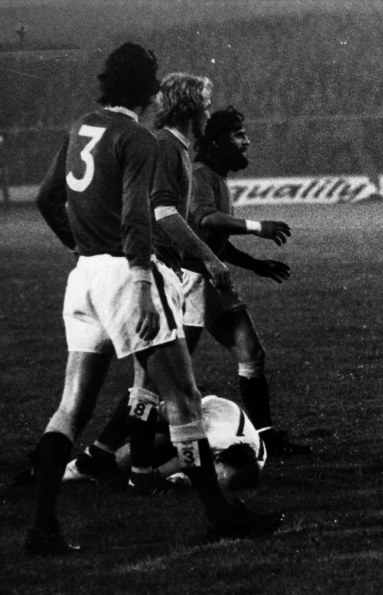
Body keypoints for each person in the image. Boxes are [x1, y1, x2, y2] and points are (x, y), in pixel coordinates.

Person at [27, 43, 282, 556]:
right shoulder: (137, 137)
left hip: (84, 277)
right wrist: (142, 280)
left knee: (70, 409)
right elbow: (138, 217)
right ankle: (220, 516)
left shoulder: (80, 126)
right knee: (183, 398)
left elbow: (46, 198)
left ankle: (43, 527)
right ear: (147, 87)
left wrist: (77, 245)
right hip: (128, 273)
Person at [183, 105, 309, 455]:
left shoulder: (217, 177)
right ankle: (122, 452)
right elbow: (205, 219)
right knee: (171, 371)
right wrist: (258, 228)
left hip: (214, 280)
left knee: (251, 352)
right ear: (217, 141)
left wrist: (255, 265)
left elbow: (216, 242)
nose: (247, 141)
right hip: (190, 281)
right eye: (239, 135)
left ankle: (266, 437)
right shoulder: (199, 175)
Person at [64, 395, 267, 493]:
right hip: (193, 411)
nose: (218, 480)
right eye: (219, 476)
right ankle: (78, 466)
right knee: (141, 409)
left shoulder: (254, 463)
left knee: (136, 465)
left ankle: (98, 459)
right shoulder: (212, 440)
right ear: (220, 458)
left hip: (210, 419)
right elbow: (183, 464)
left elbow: (196, 471)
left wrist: (176, 480)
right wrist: (160, 477)